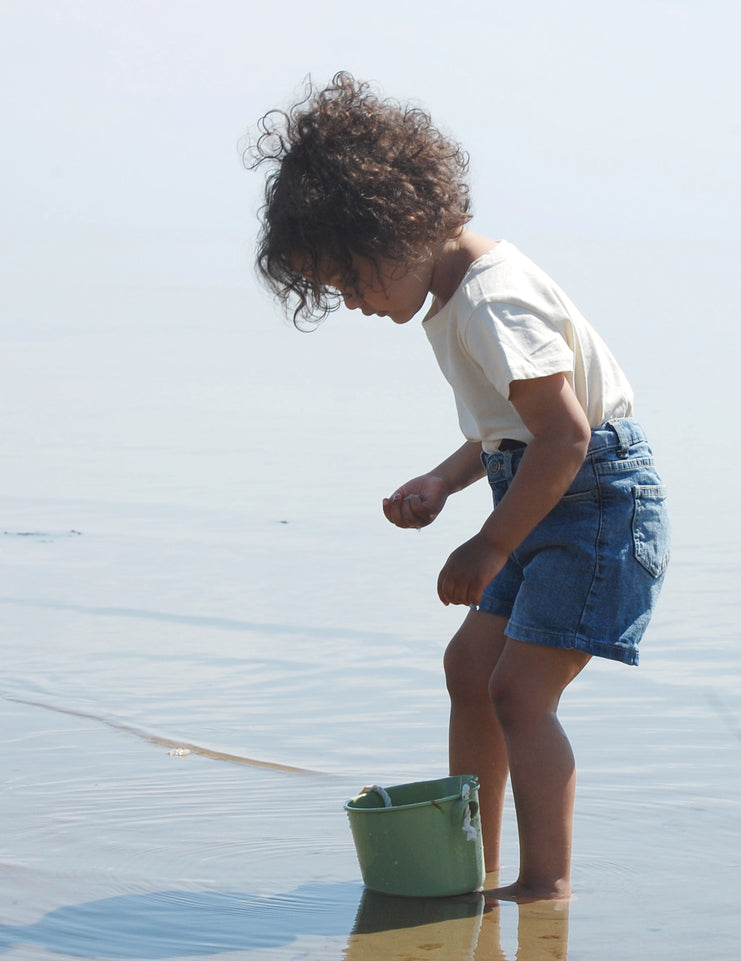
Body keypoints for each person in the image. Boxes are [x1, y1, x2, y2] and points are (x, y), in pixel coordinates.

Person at [247, 72, 669, 902]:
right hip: (544, 488)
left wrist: (491, 540)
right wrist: (443, 480)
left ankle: (543, 884)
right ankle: (468, 866)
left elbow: (566, 435)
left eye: (348, 279)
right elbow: (511, 429)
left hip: (592, 506)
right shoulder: (457, 297)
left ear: (391, 226)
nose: (350, 301)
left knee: (519, 689)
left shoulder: (490, 301)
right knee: (468, 669)